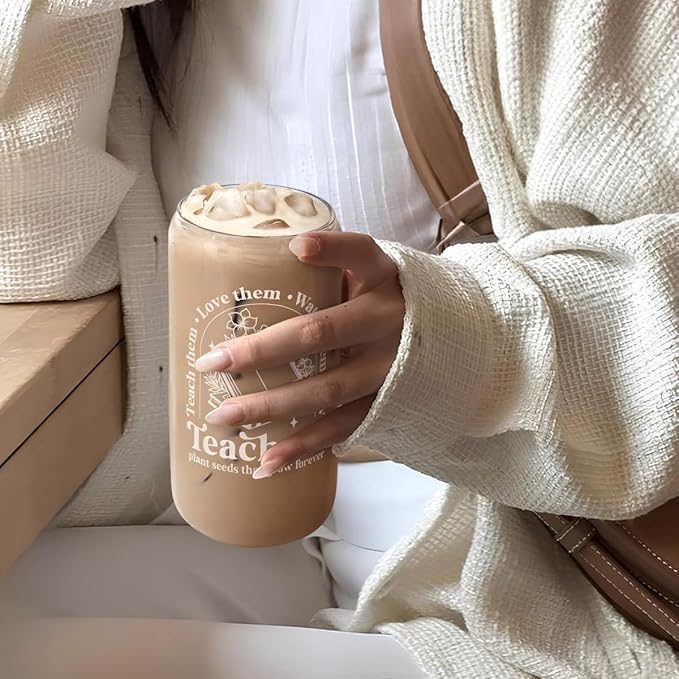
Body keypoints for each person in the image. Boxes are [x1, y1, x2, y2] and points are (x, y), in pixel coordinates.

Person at [0, 0, 677, 677]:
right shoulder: (154, 21)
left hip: (514, 566)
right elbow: (34, 264)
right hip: (256, 512)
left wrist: (460, 339)